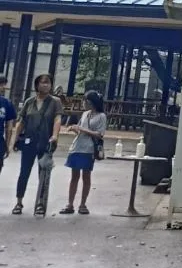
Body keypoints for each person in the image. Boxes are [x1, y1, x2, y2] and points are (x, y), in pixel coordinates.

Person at [10, 73, 63, 215]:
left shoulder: (55, 102)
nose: (45, 85)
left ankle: (41, 202)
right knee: (24, 172)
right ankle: (19, 202)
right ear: (36, 85)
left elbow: (58, 119)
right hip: (29, 141)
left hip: (45, 142)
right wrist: (15, 138)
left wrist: (55, 136)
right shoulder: (29, 101)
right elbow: (21, 121)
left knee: (43, 173)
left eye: (48, 82)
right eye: (42, 82)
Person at [61, 90, 107, 215]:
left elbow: (99, 134)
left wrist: (82, 129)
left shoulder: (101, 116)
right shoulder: (85, 114)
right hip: (77, 146)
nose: (83, 103)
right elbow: (81, 131)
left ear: (91, 102)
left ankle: (83, 204)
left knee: (86, 176)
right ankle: (70, 204)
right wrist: (75, 128)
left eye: (85, 100)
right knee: (74, 176)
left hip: (89, 149)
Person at [0, 76, 16, 181]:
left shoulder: (6, 103)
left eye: (4, 84)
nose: (3, 87)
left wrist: (8, 144)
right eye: (1, 84)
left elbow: (9, 127)